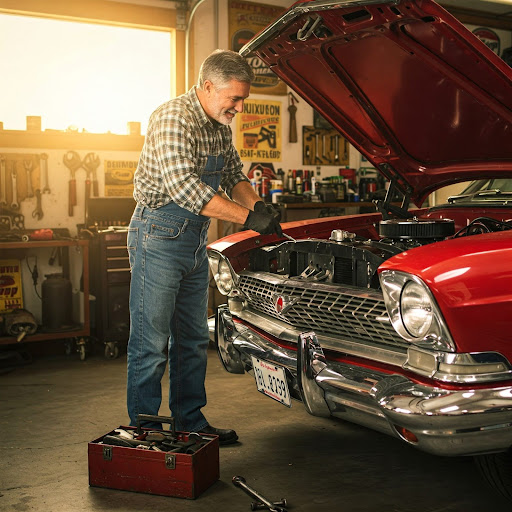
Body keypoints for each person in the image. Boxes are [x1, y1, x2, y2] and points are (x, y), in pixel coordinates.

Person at [126, 49, 282, 445]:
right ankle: (145, 431)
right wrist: (248, 220)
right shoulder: (172, 118)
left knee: (193, 339)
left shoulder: (219, 125)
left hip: (194, 238)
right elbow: (185, 189)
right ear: (208, 86)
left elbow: (232, 174)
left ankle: (189, 425)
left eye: (243, 99)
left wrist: (258, 205)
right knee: (151, 343)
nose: (240, 107)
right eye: (235, 98)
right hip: (158, 236)